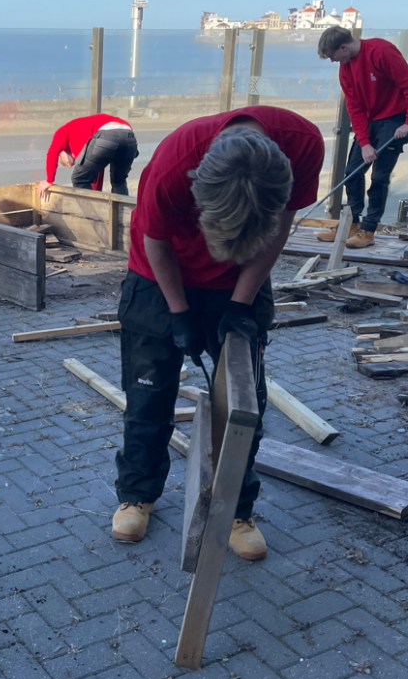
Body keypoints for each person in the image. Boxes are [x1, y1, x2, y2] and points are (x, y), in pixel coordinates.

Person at [113, 106, 323, 560]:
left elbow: (279, 230)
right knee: (148, 393)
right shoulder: (174, 162)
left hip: (239, 278)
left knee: (244, 405)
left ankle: (236, 510)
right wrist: (179, 313)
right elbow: (155, 241)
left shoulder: (304, 144)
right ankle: (137, 494)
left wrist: (240, 302)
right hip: (158, 276)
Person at [316, 27, 408, 248]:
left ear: (344, 47)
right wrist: (364, 143)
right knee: (352, 173)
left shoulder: (381, 51)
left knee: (379, 177)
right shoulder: (346, 68)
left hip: (394, 120)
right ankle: (351, 223)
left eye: (334, 56)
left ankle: (368, 230)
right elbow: (354, 108)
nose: (334, 61)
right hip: (370, 120)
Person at [39, 114, 139, 198]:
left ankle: (92, 214)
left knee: (79, 178)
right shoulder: (82, 130)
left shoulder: (64, 131)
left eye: (64, 163)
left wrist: (49, 180)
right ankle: (122, 214)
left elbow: (52, 152)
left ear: (62, 152)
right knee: (119, 181)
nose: (69, 165)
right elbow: (94, 174)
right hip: (129, 136)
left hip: (106, 134)